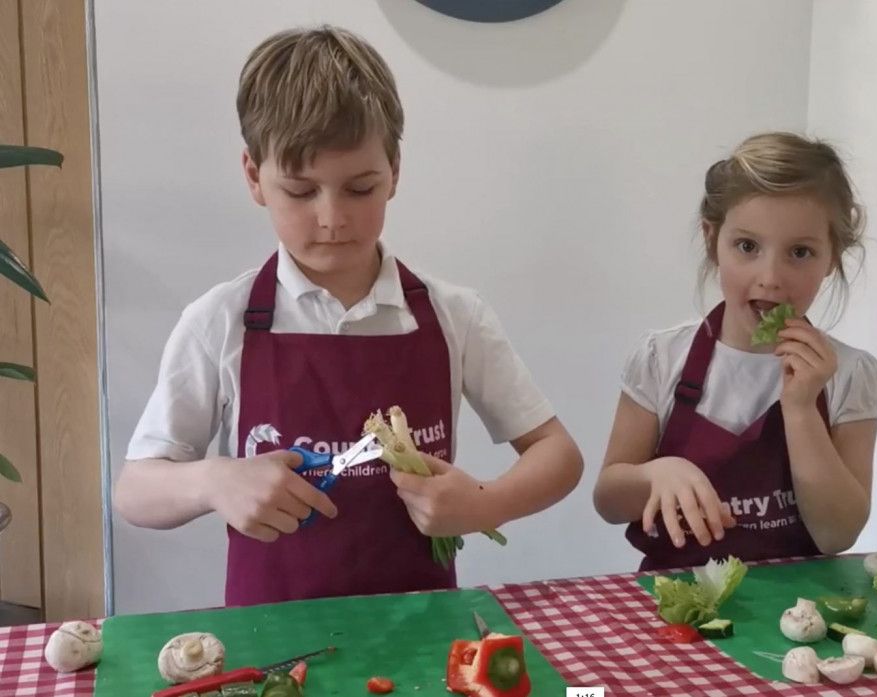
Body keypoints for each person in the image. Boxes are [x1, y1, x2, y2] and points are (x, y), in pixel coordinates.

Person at [114, 25, 583, 606]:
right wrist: (213, 480)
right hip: (275, 649)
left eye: (360, 189)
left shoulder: (452, 315)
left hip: (424, 639)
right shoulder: (221, 321)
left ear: (395, 172)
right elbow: (134, 492)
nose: (332, 218)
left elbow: (558, 455)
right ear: (254, 176)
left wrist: (486, 502)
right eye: (301, 191)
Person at [593, 132, 877, 571]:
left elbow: (836, 534)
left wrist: (803, 408)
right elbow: (609, 501)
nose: (770, 277)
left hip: (798, 616)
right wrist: (654, 474)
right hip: (674, 611)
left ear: (831, 258)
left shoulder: (850, 374)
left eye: (800, 252)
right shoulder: (660, 358)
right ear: (713, 240)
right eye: (747, 246)